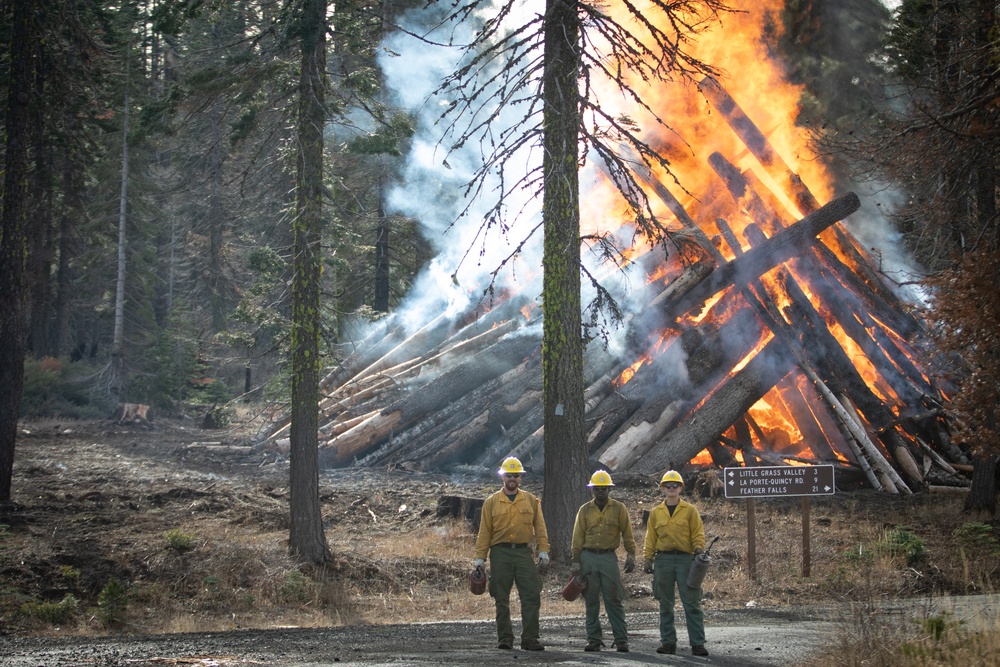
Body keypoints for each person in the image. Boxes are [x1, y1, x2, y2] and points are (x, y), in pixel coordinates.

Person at [474, 456, 550, 651]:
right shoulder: (491, 502)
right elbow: (484, 532)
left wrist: (543, 551)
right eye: (509, 475)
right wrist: (480, 558)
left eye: (516, 475)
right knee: (501, 597)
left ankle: (530, 639)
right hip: (500, 554)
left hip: (524, 554)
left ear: (520, 478)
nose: (512, 479)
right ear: (502, 477)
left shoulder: (531, 501)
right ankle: (505, 638)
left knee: (531, 595)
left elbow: (540, 528)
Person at [643, 470, 708, 657]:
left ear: (680, 488)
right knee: (665, 603)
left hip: (686, 560)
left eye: (675, 485)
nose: (671, 488)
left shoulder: (690, 511)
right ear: (663, 488)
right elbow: (650, 538)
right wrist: (648, 558)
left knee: (692, 603)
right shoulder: (656, 513)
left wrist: (698, 549)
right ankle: (668, 643)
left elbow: (698, 533)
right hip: (663, 561)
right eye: (668, 486)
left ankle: (697, 644)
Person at [570, 470, 637, 653]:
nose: (600, 492)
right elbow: (577, 537)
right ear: (592, 490)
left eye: (603, 488)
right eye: (597, 488)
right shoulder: (584, 510)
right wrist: (575, 561)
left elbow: (628, 534)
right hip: (588, 558)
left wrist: (631, 554)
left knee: (614, 599)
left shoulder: (619, 509)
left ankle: (621, 640)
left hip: (608, 558)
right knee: (591, 600)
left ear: (609, 489)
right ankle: (594, 640)